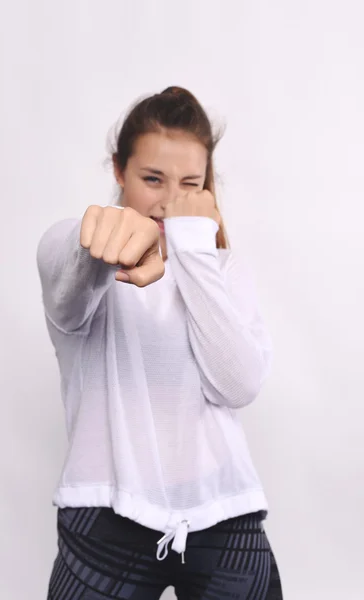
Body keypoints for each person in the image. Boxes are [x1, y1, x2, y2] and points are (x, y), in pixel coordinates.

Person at [37, 86, 283, 600]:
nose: (169, 200)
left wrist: (194, 248)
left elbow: (237, 385)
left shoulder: (222, 270)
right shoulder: (82, 252)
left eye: (189, 183)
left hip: (224, 514)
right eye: (152, 179)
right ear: (118, 170)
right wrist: (106, 239)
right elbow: (72, 270)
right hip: (104, 515)